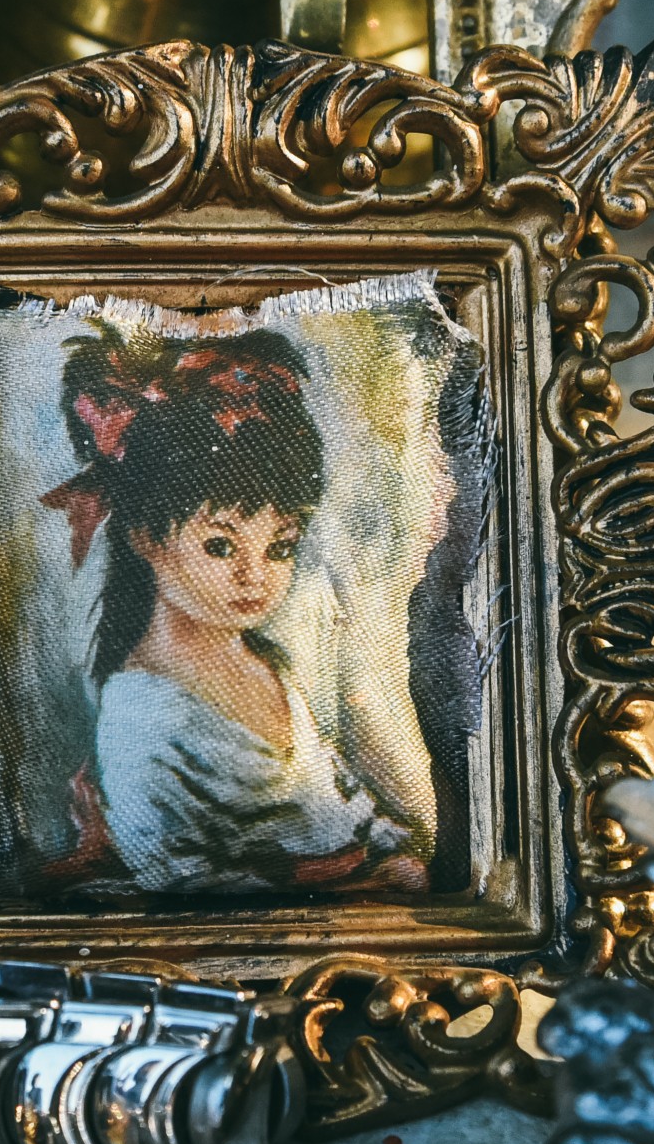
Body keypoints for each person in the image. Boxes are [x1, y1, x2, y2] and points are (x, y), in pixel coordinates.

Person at [37, 325, 427, 895]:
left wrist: (396, 859)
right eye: (220, 546)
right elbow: (176, 876)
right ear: (145, 537)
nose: (255, 575)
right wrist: (352, 887)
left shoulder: (270, 665)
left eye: (280, 548)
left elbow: (344, 810)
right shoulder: (142, 711)